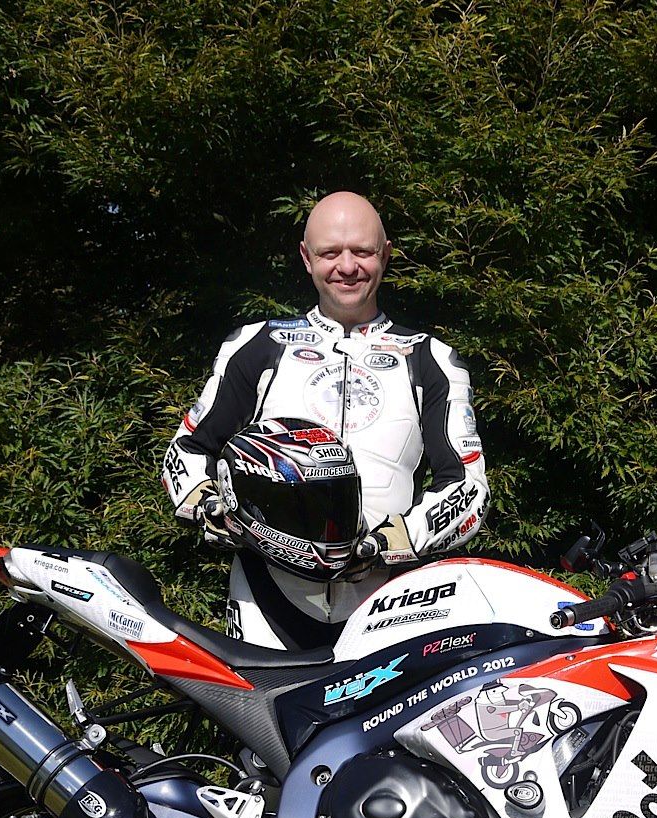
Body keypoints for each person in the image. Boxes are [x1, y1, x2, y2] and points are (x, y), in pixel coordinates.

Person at [160, 192, 488, 649]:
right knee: (253, 723)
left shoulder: (432, 359)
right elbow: (189, 450)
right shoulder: (256, 345)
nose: (348, 267)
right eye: (331, 253)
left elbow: (468, 486)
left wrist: (395, 541)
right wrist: (209, 507)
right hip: (266, 593)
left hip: (390, 597)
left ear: (386, 254)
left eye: (363, 251)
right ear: (306, 257)